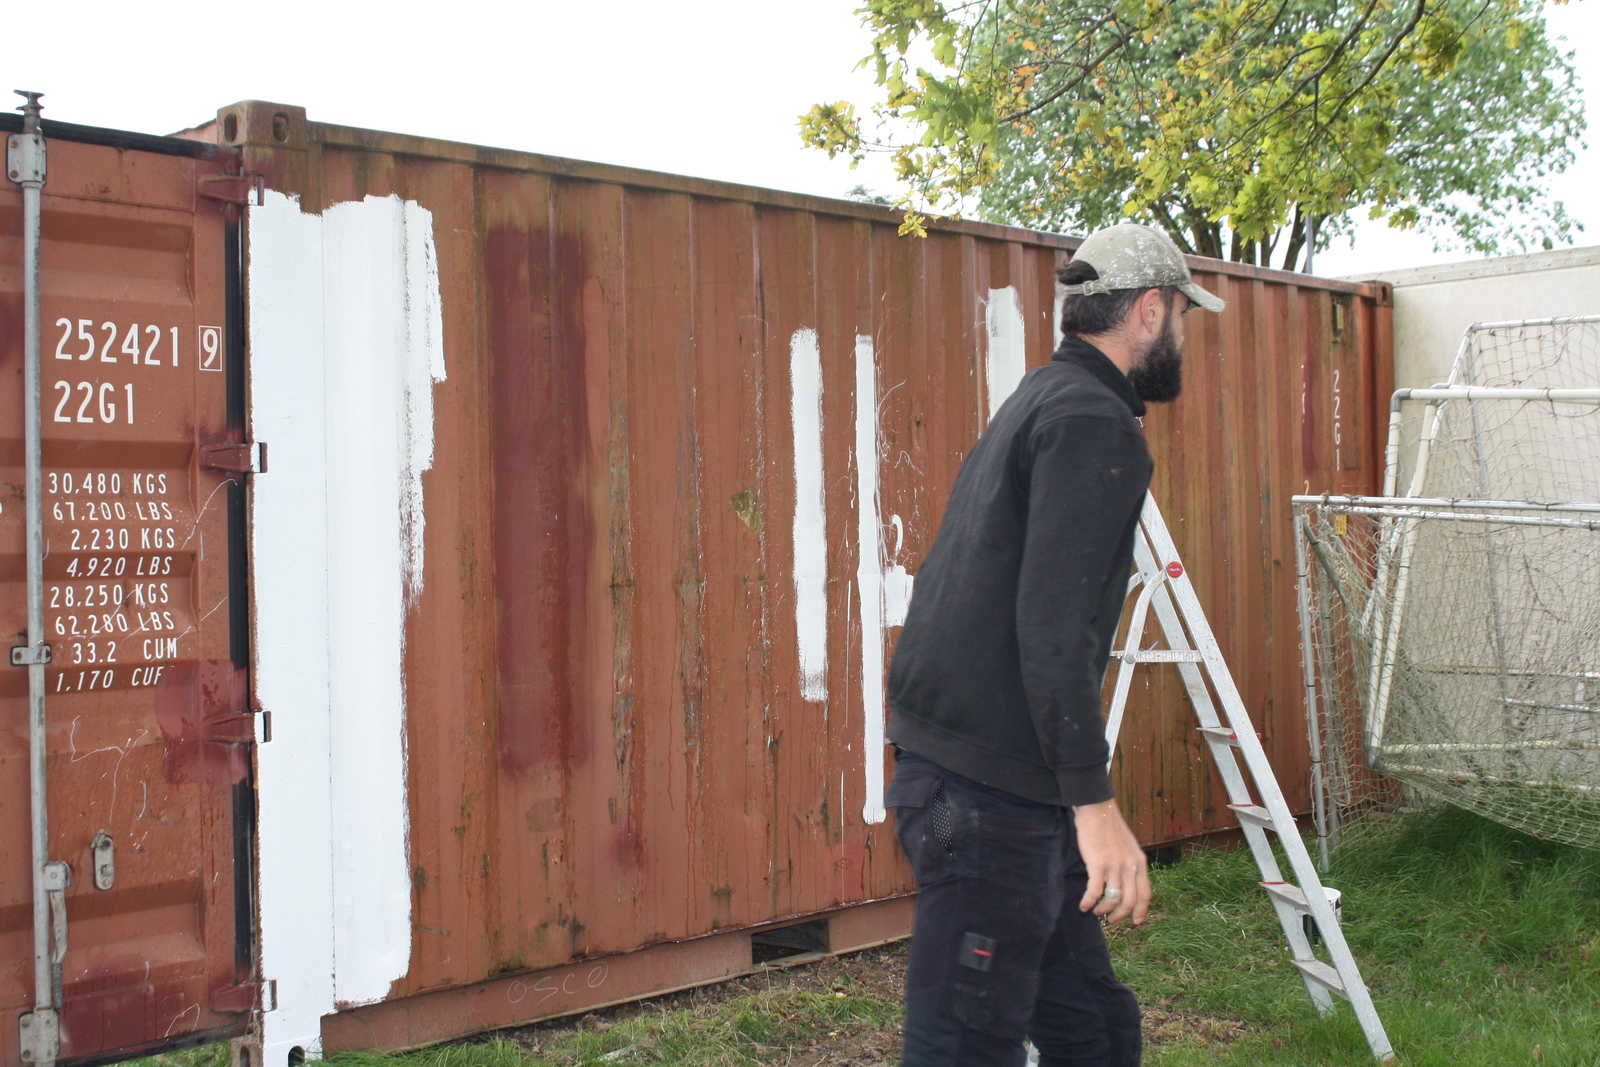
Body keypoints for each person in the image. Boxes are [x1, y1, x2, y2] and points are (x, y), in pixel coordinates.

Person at [884, 223, 1226, 1067]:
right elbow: (1053, 626)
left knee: (1093, 1030)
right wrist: (1095, 808)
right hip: (985, 799)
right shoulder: (1092, 421)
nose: (1181, 334)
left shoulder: (1044, 396)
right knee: (965, 1043)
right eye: (1181, 315)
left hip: (987, 781)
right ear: (1150, 311)